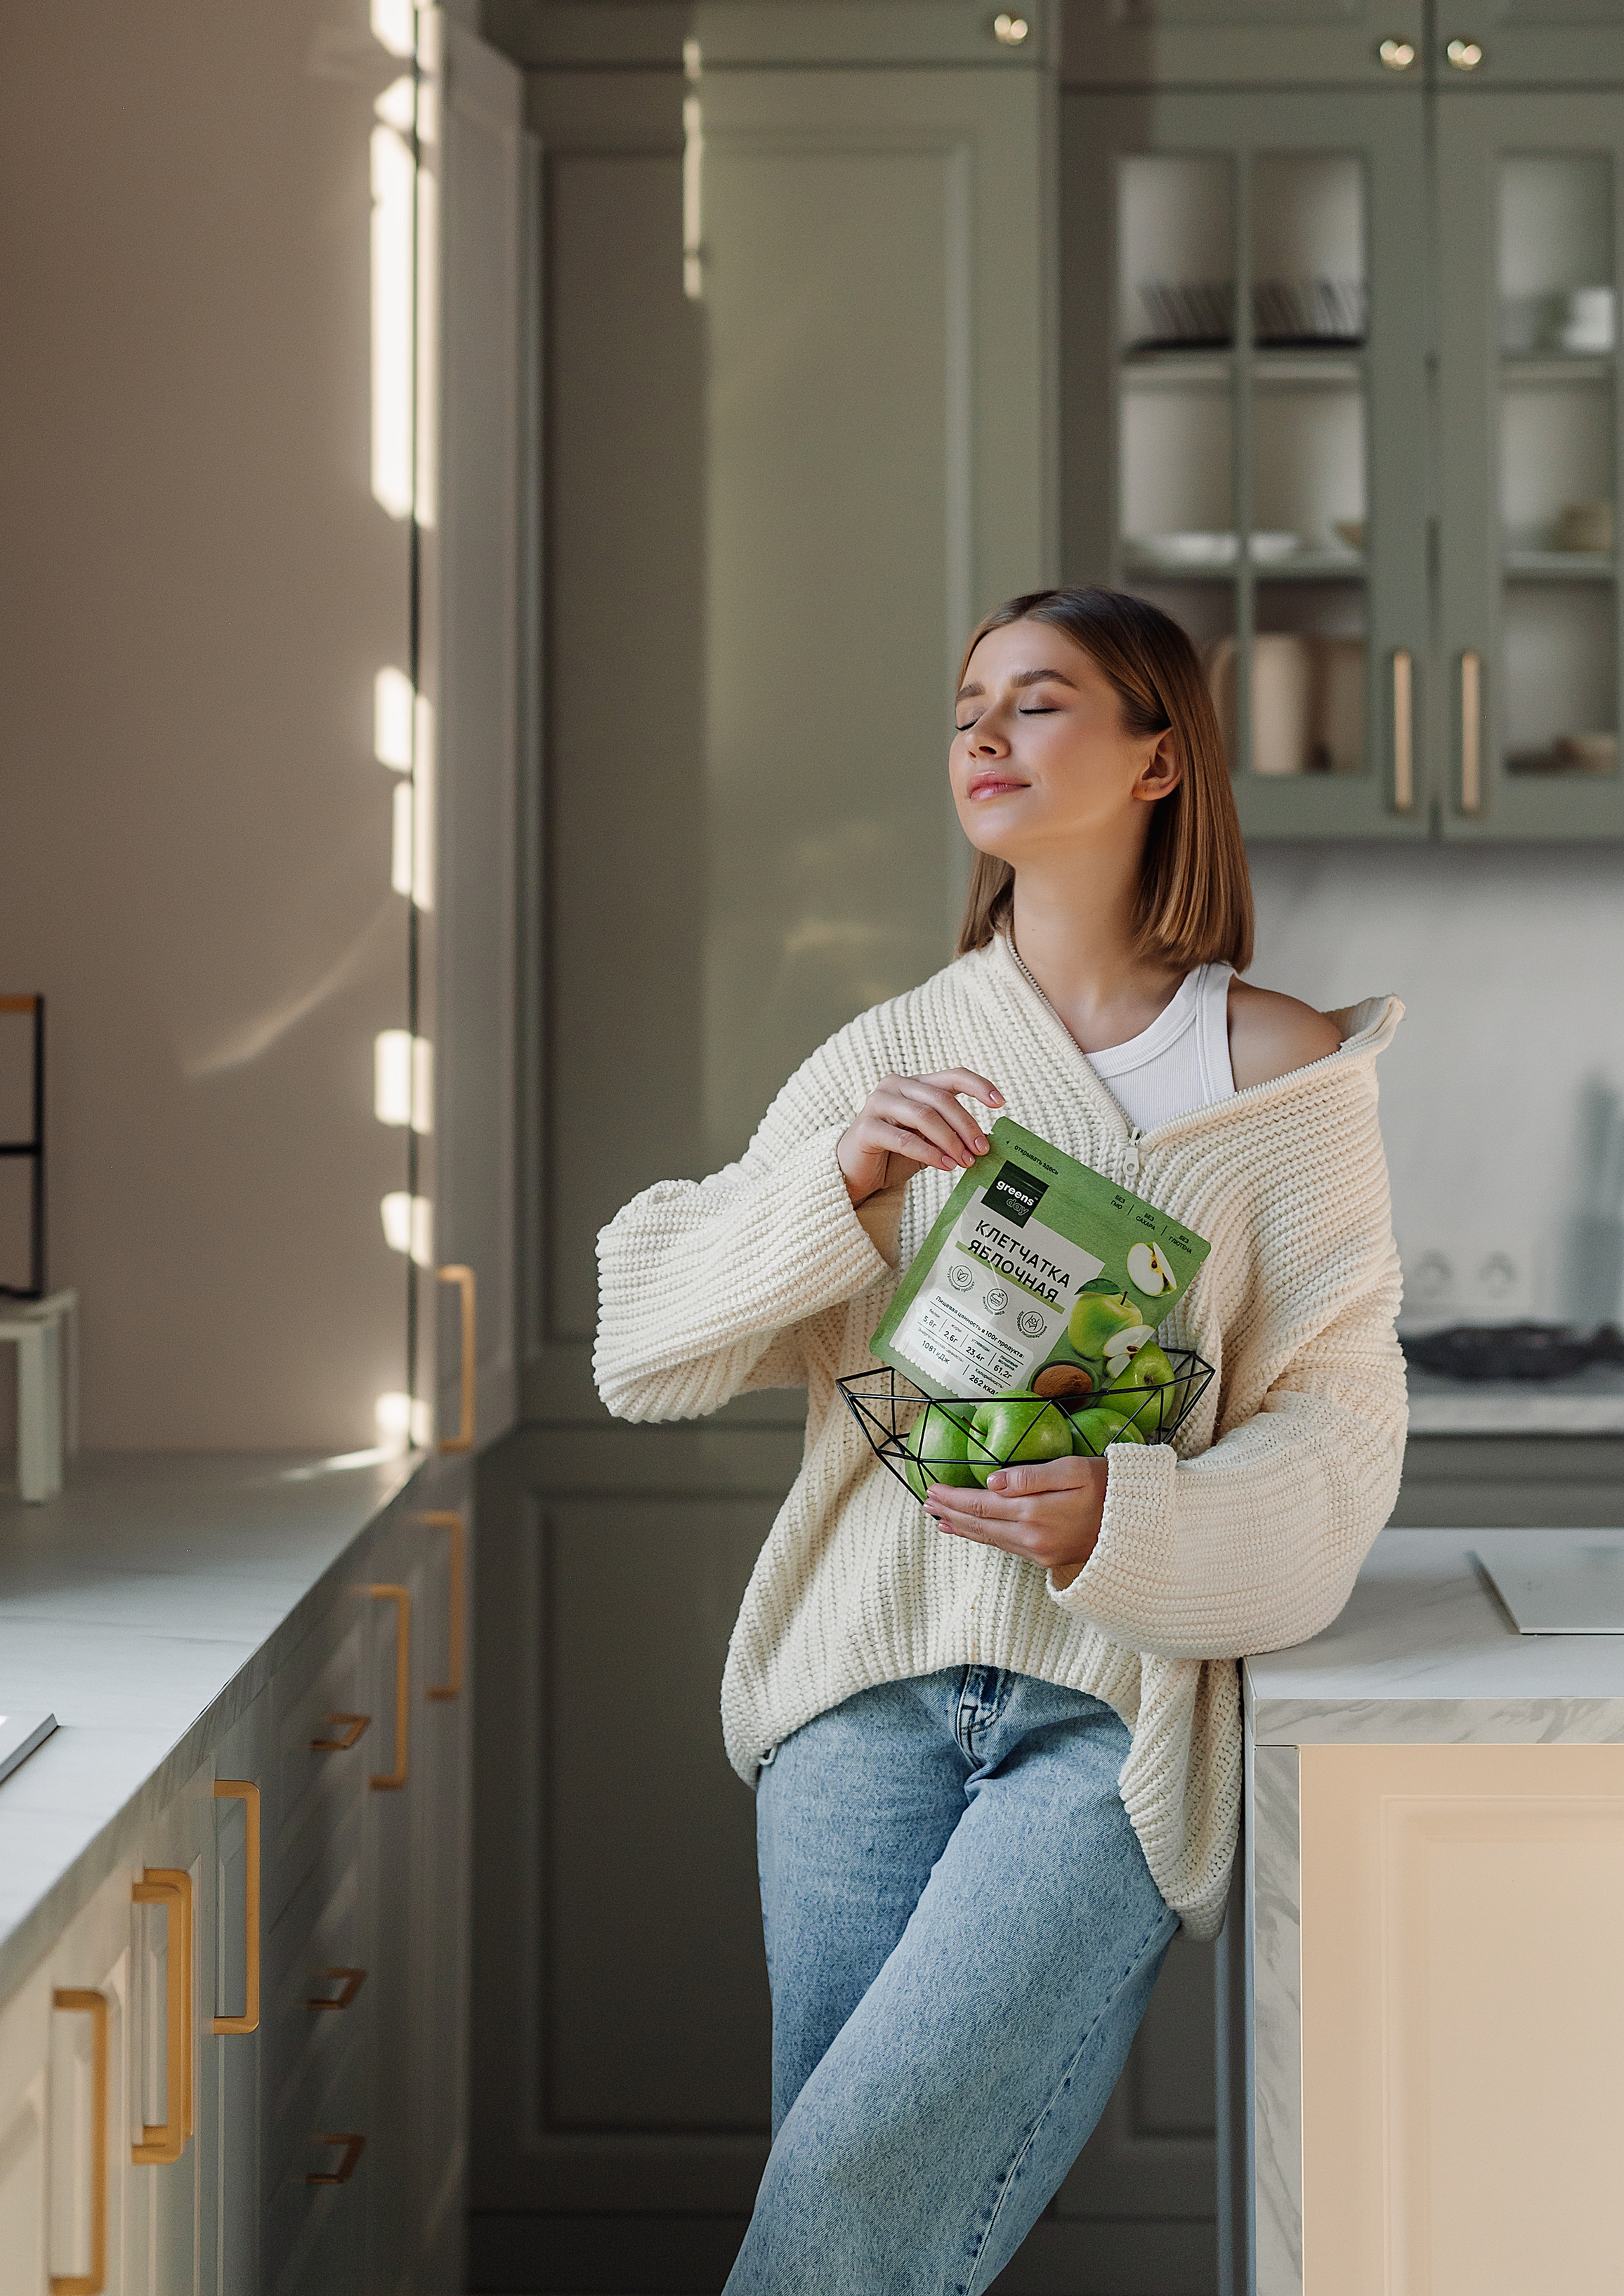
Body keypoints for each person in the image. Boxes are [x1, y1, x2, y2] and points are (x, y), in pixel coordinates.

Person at [594, 586, 1406, 2295]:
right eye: (967, 703)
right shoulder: (894, 1053)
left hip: (1101, 1724)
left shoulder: (1287, 1079)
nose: (980, 734)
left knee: (854, 2195)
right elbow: (643, 1336)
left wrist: (1127, 1513)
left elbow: (1336, 1439)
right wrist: (830, 1188)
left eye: (1037, 703)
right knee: (855, 2210)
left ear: (1155, 755)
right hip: (852, 1705)